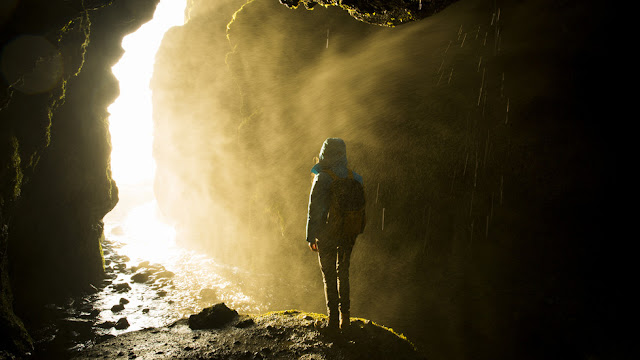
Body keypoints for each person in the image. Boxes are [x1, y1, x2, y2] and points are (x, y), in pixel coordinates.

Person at [306, 137, 365, 332]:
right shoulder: (355, 177)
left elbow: (314, 210)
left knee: (329, 276)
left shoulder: (322, 177)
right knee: (344, 273)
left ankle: (332, 322)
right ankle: (345, 320)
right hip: (349, 233)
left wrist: (311, 236)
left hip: (327, 233)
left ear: (324, 153)